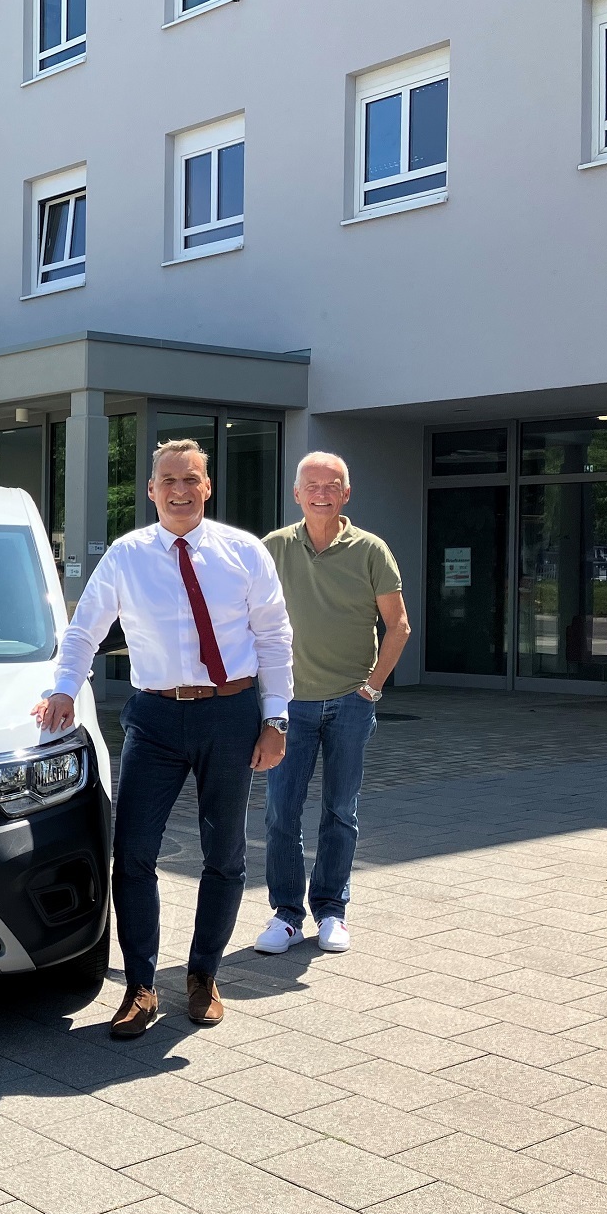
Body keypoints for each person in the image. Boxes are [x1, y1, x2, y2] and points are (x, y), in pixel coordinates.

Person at [37, 439, 293, 1039]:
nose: (179, 490)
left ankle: (203, 976)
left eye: (191, 479)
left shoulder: (245, 553)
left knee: (226, 854)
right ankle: (142, 985)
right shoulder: (127, 557)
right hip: (153, 718)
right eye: (167, 480)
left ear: (208, 487)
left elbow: (275, 638)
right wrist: (65, 688)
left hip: (230, 715)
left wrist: (276, 720)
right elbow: (83, 632)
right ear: (151, 490)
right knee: (135, 853)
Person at [255, 452, 409, 956]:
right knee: (282, 812)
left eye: (332, 484)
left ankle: (332, 910)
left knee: (341, 810)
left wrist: (372, 687)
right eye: (312, 484)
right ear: (296, 493)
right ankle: (286, 915)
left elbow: (399, 625)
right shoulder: (273, 548)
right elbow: (242, 618)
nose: (322, 492)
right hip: (288, 705)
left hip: (350, 703)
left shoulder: (371, 550)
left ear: (347, 492)